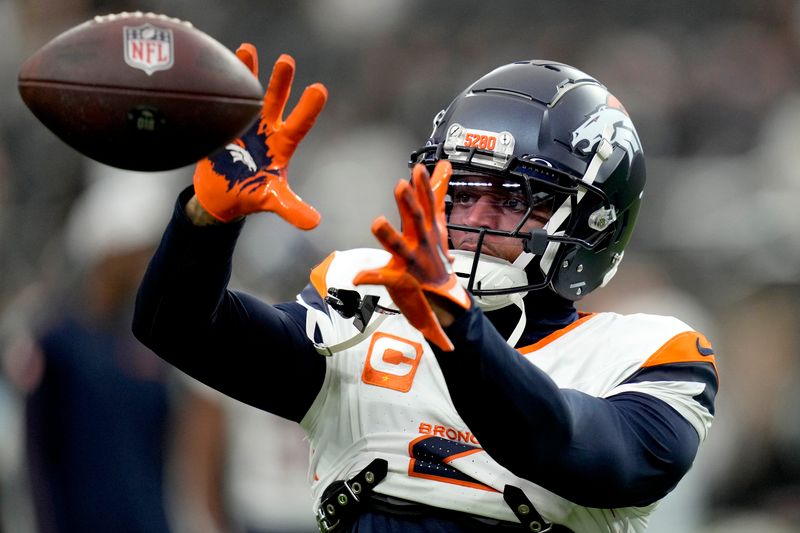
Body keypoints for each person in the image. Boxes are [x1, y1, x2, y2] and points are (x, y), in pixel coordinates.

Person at [133, 44, 719, 532]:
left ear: (595, 222)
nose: (475, 220)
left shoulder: (649, 356)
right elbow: (179, 329)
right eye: (460, 192)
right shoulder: (367, 303)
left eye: (512, 200)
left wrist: (457, 330)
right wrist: (205, 223)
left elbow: (561, 446)